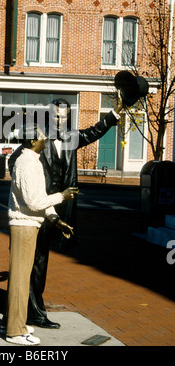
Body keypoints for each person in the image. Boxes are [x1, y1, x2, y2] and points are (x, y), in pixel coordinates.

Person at [8, 97, 123, 329]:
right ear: (49, 116)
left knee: (43, 259)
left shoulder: (71, 137)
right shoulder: (38, 139)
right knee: (36, 260)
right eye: (56, 115)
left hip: (61, 207)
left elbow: (94, 132)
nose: (60, 119)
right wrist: (26, 188)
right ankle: (34, 312)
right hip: (40, 205)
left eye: (64, 115)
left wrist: (115, 112)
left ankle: (30, 308)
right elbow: (14, 161)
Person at [3, 124, 77, 346]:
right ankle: (15, 332)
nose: (46, 140)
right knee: (19, 280)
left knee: (22, 279)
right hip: (24, 225)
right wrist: (62, 196)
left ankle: (14, 323)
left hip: (29, 224)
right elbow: (34, 202)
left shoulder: (32, 161)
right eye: (43, 138)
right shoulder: (26, 164)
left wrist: (55, 219)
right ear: (33, 142)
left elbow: (38, 196)